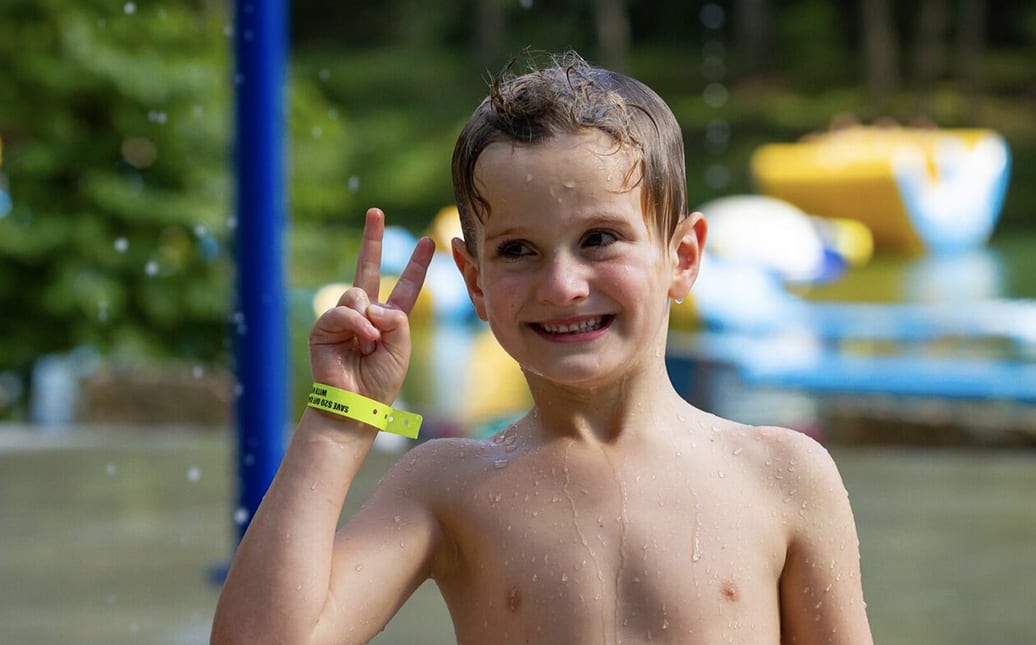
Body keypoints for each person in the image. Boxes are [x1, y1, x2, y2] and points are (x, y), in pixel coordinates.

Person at [212, 51, 873, 644]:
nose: (562, 286)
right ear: (474, 280)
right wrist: (338, 419)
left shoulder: (782, 476)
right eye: (519, 251)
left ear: (683, 255)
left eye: (599, 239)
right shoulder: (448, 485)